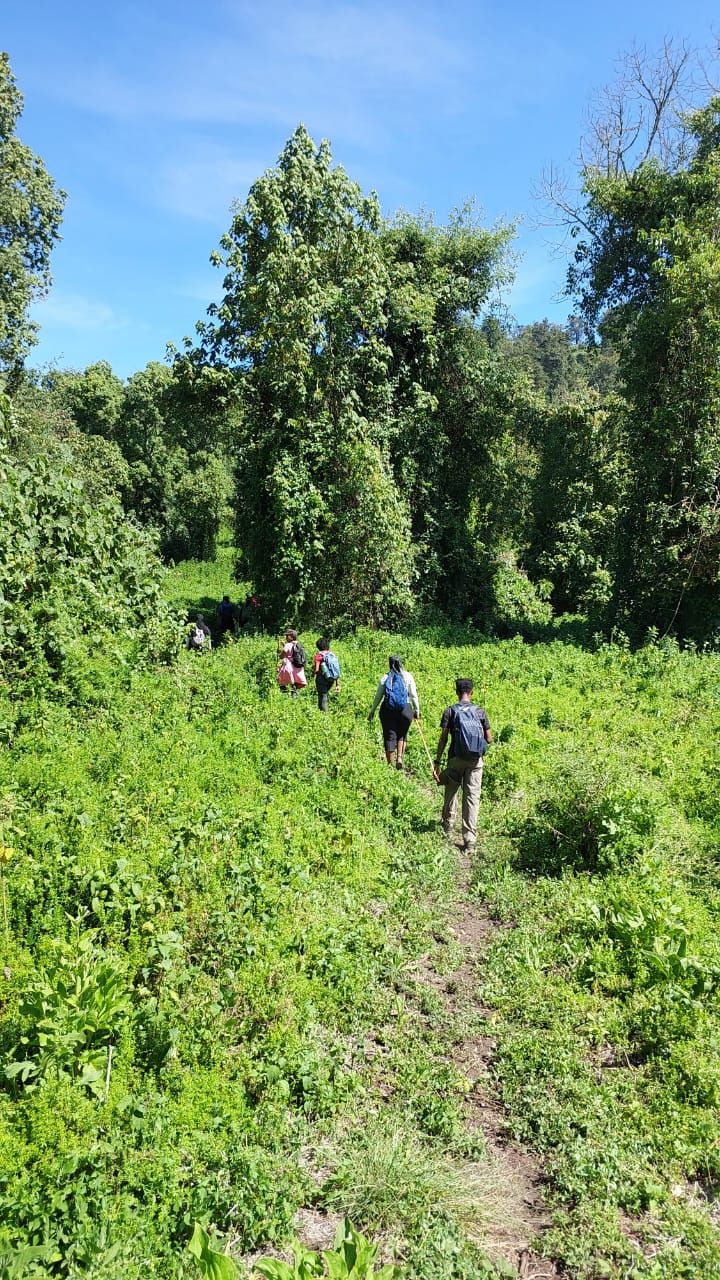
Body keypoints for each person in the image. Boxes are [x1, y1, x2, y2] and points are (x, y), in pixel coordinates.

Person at [433, 678, 492, 854]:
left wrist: (437, 761)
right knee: (472, 798)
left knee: (451, 792)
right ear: (471, 692)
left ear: (457, 692)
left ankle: (447, 828)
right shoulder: (480, 712)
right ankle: (470, 841)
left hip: (455, 759)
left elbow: (443, 738)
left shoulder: (450, 711)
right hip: (475, 762)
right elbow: (489, 738)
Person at [368, 655, 420, 769]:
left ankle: (390, 766)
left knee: (389, 736)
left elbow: (378, 697)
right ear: (401, 663)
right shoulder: (408, 676)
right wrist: (417, 710)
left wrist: (372, 711)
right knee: (402, 734)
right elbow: (413, 695)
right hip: (405, 709)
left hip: (388, 710)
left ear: (389, 664)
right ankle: (400, 757)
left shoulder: (386, 677)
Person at [313, 638, 341, 711]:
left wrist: (314, 675)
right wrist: (337, 684)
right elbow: (336, 670)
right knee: (323, 695)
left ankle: (324, 715)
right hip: (331, 679)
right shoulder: (332, 655)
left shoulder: (319, 655)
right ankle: (320, 711)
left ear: (318, 646)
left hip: (321, 679)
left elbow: (316, 669)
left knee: (323, 696)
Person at [277, 628, 307, 695]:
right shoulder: (299, 645)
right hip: (298, 667)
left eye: (287, 636)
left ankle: (285, 696)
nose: (286, 637)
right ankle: (294, 696)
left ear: (291, 637)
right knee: (295, 684)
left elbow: (282, 656)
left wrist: (279, 652)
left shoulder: (288, 645)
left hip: (289, 667)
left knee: (282, 682)